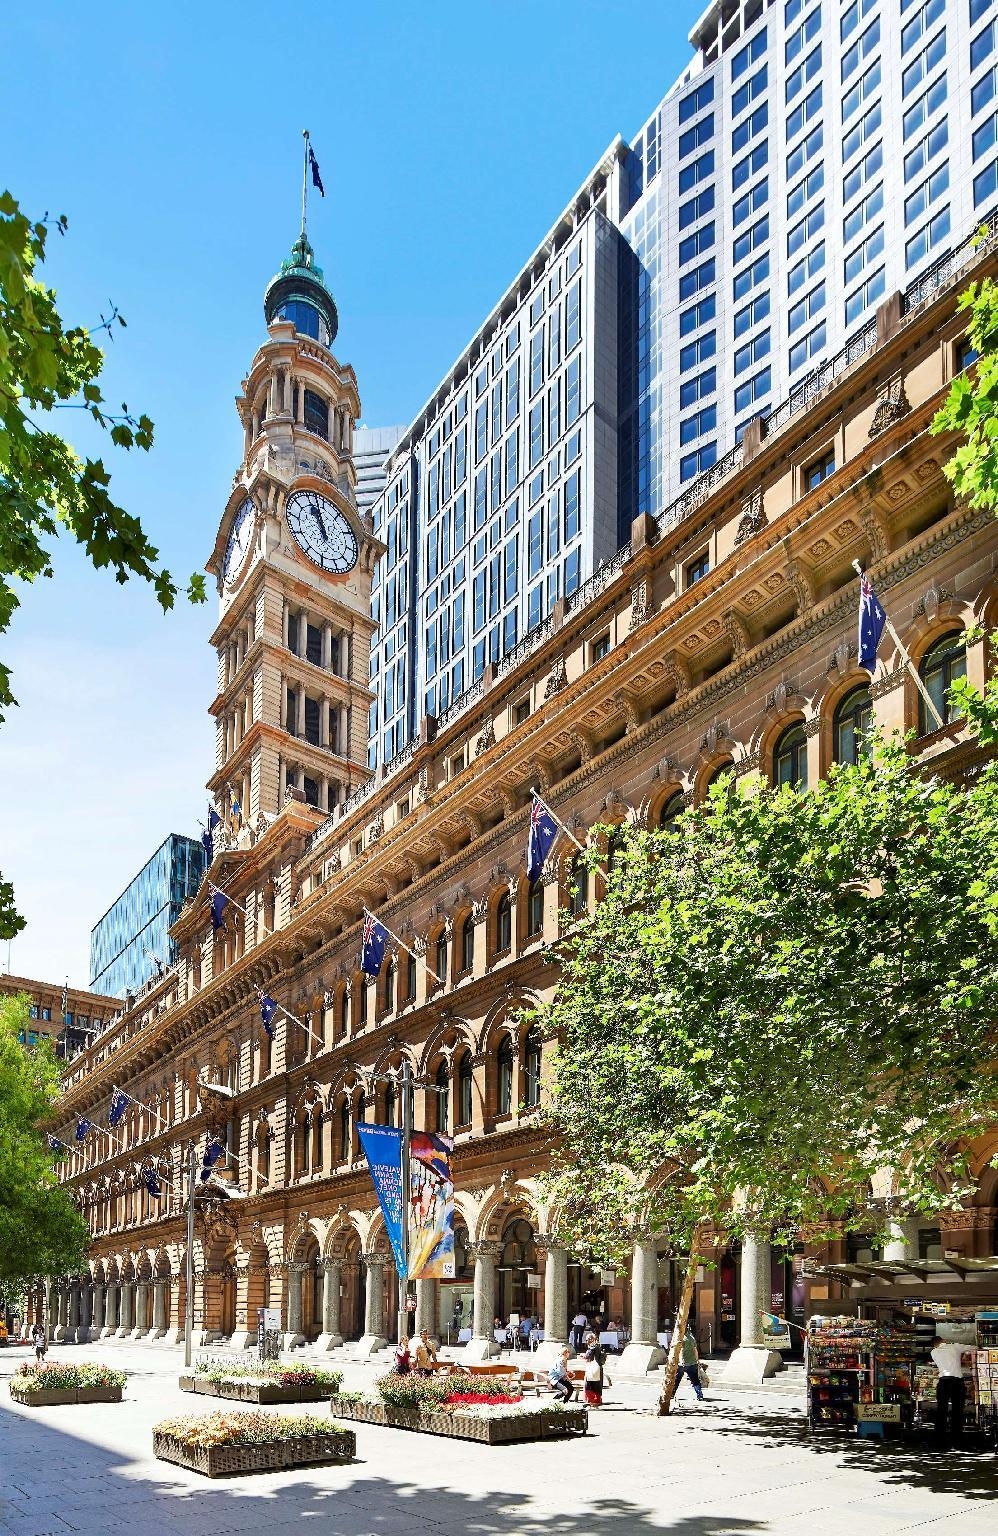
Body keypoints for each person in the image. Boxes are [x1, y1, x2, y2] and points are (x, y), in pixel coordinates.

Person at [930, 1335, 966, 1445]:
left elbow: (944, 1362)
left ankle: (939, 1437)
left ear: (934, 1345)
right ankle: (956, 1437)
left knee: (941, 1409)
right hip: (957, 1382)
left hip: (943, 1382)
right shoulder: (955, 1346)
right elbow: (974, 1348)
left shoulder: (933, 1352)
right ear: (943, 1340)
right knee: (957, 1409)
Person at [676, 1325, 704, 1402]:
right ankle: (699, 1395)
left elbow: (681, 1350)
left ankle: (671, 1394)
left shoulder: (681, 1338)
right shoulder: (691, 1338)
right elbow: (695, 1350)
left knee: (677, 1380)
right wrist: (697, 1360)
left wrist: (681, 1361)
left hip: (683, 1364)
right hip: (692, 1362)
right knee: (695, 1380)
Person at [583, 1331, 607, 1407]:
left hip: (593, 1369)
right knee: (597, 1385)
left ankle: (593, 1401)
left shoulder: (593, 1347)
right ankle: (596, 1401)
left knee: (591, 1385)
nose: (586, 1341)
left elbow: (589, 1356)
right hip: (597, 1368)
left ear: (591, 1339)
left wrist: (584, 1356)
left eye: (587, 1340)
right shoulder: (597, 1346)